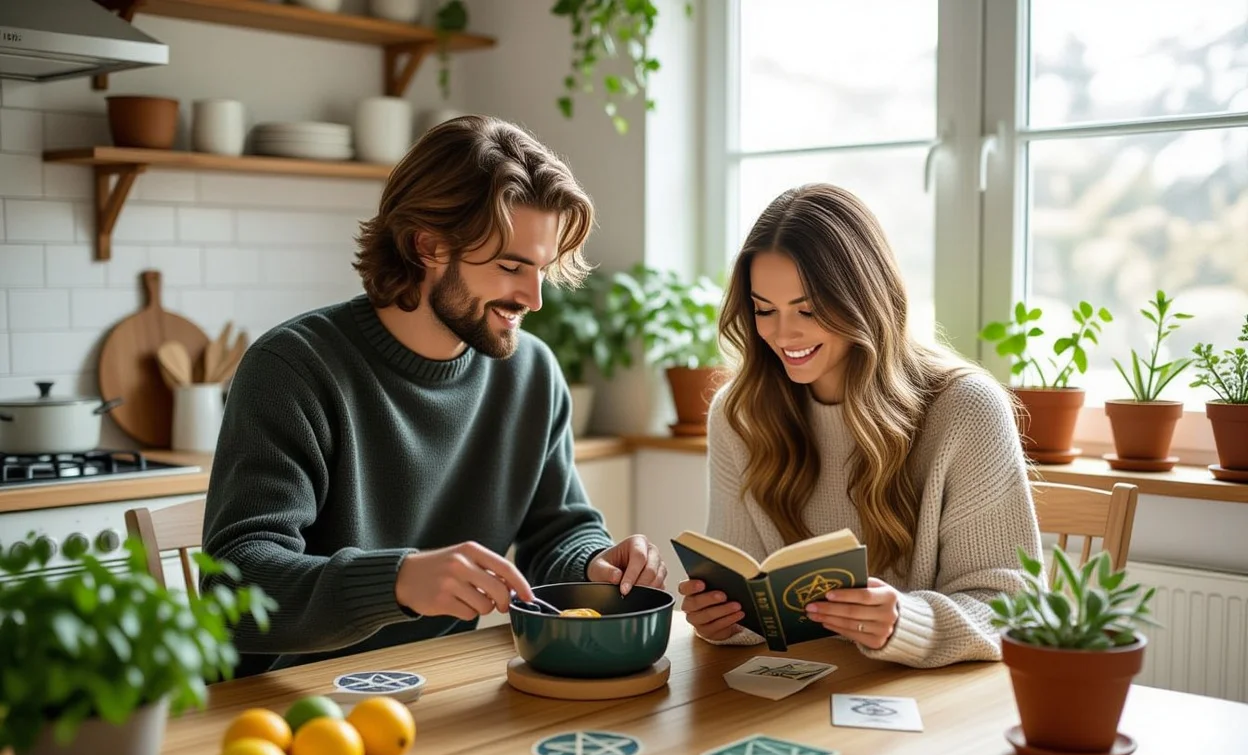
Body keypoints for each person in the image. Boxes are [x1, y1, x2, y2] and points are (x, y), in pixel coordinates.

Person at [202, 115, 667, 672]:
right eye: (510, 267)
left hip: (436, 686)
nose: (534, 298)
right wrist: (395, 581)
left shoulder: (531, 374)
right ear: (428, 246)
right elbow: (235, 589)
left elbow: (556, 533)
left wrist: (594, 563)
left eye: (541, 269)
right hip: (289, 706)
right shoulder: (293, 370)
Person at [678, 184, 1040, 669]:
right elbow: (750, 604)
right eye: (765, 310)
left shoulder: (966, 410)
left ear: (863, 299)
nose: (783, 334)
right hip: (801, 695)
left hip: (930, 703)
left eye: (807, 309)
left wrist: (905, 622)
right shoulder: (739, 415)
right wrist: (722, 620)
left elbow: (1014, 612)